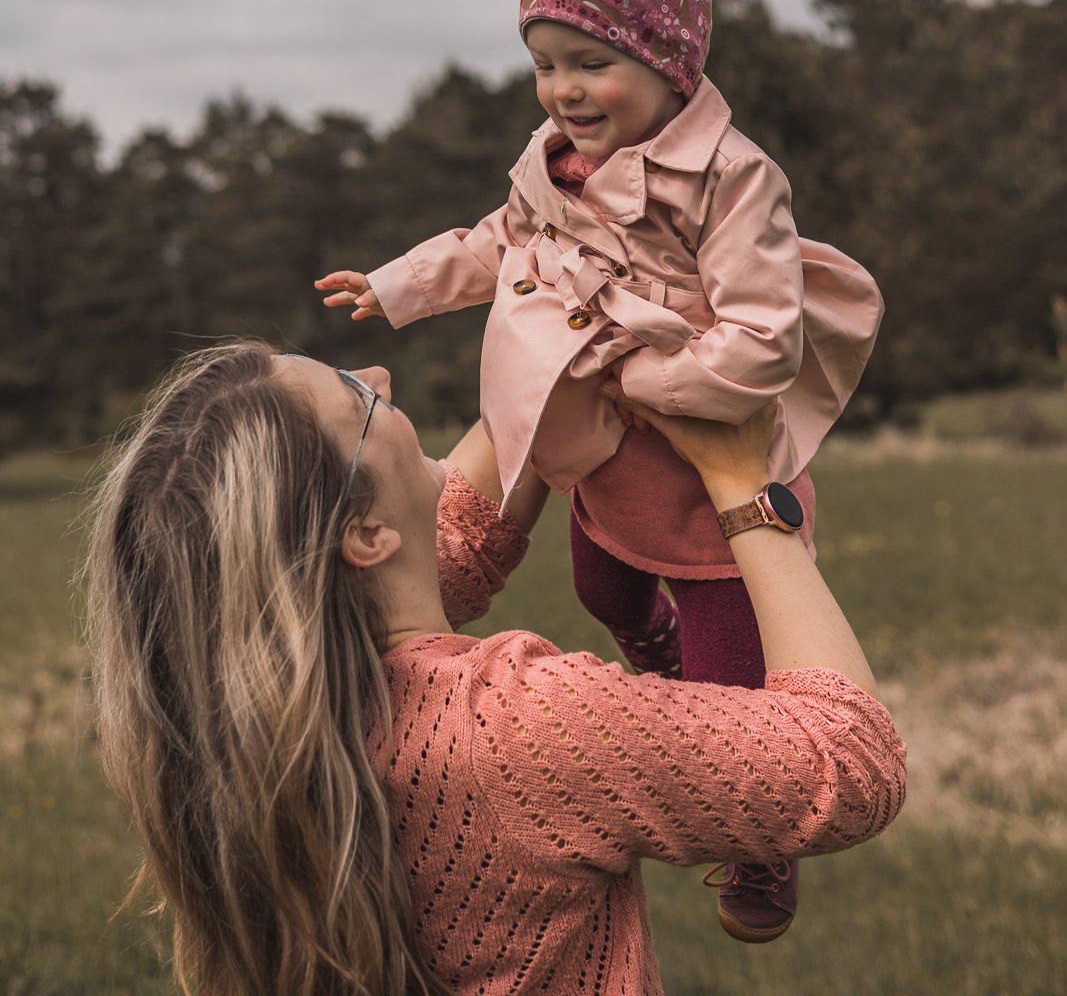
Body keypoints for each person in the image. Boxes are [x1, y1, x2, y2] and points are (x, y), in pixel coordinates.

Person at [316, 0, 885, 939]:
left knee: (731, 695)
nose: (561, 90)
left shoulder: (730, 178)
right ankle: (653, 650)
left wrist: (655, 389)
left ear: (670, 62)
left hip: (703, 477)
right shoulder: (552, 162)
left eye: (588, 61)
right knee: (598, 582)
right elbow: (502, 242)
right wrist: (401, 284)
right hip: (606, 467)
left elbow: (763, 335)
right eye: (542, 62)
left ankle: (759, 849)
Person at [85, 339, 905, 996]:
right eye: (358, 396)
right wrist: (744, 485)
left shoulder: (244, 716)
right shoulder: (517, 727)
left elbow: (452, 547)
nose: (379, 372)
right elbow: (844, 759)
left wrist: (552, 348)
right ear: (363, 534)